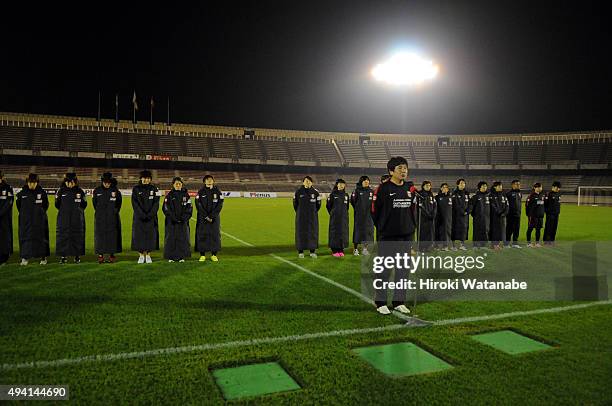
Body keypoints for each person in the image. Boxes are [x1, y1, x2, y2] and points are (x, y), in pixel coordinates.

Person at [370, 157, 415, 315]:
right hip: (388, 237)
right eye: (400, 168)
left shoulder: (410, 189)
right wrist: (384, 228)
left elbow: (412, 212)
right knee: (384, 270)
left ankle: (398, 301)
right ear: (391, 171)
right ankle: (380, 302)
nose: (404, 171)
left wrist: (410, 231)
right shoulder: (382, 189)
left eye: (405, 168)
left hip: (406, 237)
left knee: (403, 270)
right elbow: (375, 211)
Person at [16, 174, 50, 265]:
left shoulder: (42, 193)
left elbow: (46, 205)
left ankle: (43, 258)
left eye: (33, 183)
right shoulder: (21, 193)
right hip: (25, 221)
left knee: (41, 238)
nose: (31, 185)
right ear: (27, 183)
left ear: (37, 183)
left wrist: (39, 214)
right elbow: (18, 205)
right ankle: (25, 258)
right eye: (30, 183)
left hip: (39, 221)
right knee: (25, 238)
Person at [55, 173, 87, 264]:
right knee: (63, 237)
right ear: (65, 182)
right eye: (68, 182)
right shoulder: (60, 191)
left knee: (77, 237)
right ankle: (63, 256)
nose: (70, 184)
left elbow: (84, 204)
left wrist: (77, 212)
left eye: (72, 182)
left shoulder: (80, 191)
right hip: (64, 219)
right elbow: (57, 204)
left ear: (75, 182)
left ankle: (77, 256)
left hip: (77, 219)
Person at [92, 172, 122, 264]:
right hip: (100, 218)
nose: (107, 184)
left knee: (112, 237)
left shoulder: (116, 191)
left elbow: (119, 204)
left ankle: (112, 255)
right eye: (105, 182)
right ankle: (100, 255)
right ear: (102, 182)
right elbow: (94, 203)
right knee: (100, 237)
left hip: (112, 218)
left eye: (109, 182)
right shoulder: (97, 191)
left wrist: (114, 212)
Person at [131, 170, 160, 263]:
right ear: (141, 178)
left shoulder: (155, 189)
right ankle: (140, 255)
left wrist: (150, 214)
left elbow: (156, 203)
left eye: (148, 178)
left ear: (150, 179)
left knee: (150, 236)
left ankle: (148, 255)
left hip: (151, 218)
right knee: (139, 236)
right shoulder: (136, 189)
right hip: (139, 218)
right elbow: (134, 203)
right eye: (144, 178)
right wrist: (142, 214)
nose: (146, 180)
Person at [163, 177, 193, 262]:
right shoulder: (169, 196)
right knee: (171, 238)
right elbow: (166, 208)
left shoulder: (186, 195)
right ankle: (171, 257)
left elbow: (189, 208)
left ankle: (182, 256)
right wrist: (174, 218)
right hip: (171, 222)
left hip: (183, 222)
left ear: (182, 185)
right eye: (176, 184)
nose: (178, 185)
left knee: (183, 238)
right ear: (173, 185)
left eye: (179, 183)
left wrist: (183, 218)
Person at [195, 175, 224, 261]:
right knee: (202, 235)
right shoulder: (200, 192)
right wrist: (206, 216)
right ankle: (202, 255)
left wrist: (211, 216)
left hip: (214, 218)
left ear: (213, 181)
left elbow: (220, 204)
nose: (209, 181)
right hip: (202, 218)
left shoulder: (218, 191)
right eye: (207, 180)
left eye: (211, 179)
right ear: (204, 182)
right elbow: (198, 205)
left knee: (214, 235)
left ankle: (214, 254)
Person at [293, 176, 321, 258]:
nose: (307, 182)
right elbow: (295, 204)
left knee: (312, 233)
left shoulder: (316, 193)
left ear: (312, 183)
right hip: (301, 217)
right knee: (300, 233)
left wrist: (312, 212)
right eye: (306, 181)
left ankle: (312, 251)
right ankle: (300, 252)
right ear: (303, 182)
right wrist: (300, 212)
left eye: (309, 181)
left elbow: (318, 205)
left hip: (312, 217)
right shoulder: (298, 192)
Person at [350, 175, 374, 256]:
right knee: (358, 232)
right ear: (361, 182)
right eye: (364, 181)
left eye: (367, 180)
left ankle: (365, 249)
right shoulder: (356, 191)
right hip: (359, 216)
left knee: (367, 232)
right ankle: (355, 249)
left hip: (369, 216)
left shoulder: (371, 191)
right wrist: (358, 210)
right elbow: (353, 202)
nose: (366, 182)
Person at [327, 179, 350, 257]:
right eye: (340, 184)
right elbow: (328, 206)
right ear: (337, 185)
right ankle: (334, 250)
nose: (341, 185)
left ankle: (341, 249)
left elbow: (347, 207)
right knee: (335, 233)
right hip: (335, 218)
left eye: (343, 184)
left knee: (343, 233)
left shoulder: (346, 195)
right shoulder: (332, 194)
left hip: (343, 218)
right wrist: (333, 213)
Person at [417, 180, 437, 253]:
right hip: (423, 218)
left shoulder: (431, 195)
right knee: (423, 233)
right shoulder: (420, 195)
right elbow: (420, 207)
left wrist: (433, 214)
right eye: (426, 185)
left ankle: (429, 247)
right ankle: (422, 248)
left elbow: (435, 205)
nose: (428, 187)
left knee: (430, 233)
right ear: (423, 186)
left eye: (429, 185)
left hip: (431, 218)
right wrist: (428, 214)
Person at [470, 181, 490, 249]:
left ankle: (483, 245)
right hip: (478, 218)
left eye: (485, 186)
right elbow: (472, 207)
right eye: (483, 186)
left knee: (485, 231)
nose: (485, 187)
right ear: (479, 188)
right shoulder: (475, 197)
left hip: (486, 218)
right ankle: (475, 245)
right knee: (476, 231)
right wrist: (476, 215)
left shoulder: (488, 196)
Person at [489, 181, 509, 250]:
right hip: (495, 216)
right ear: (495, 187)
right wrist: (499, 212)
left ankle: (497, 244)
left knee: (502, 230)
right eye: (499, 186)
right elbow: (492, 205)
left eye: (501, 186)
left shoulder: (504, 195)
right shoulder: (491, 195)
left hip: (503, 216)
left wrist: (504, 213)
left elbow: (507, 205)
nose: (501, 187)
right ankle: (494, 245)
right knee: (495, 230)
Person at [451, 178, 470, 250]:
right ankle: (453, 245)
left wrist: (468, 211)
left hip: (465, 215)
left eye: (464, 183)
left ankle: (462, 244)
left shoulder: (466, 193)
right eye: (461, 183)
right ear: (458, 184)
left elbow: (470, 203)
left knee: (464, 229)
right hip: (456, 215)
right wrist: (462, 211)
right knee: (454, 229)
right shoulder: (454, 193)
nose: (463, 184)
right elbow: (456, 204)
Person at [0, 171, 14, 266]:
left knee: (4, 237)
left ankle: (4, 258)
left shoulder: (8, 188)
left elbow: (9, 203)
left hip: (4, 219)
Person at [526, 182, 545, 248]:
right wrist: (529, 215)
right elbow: (527, 206)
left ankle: (537, 243)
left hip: (540, 216)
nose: (540, 188)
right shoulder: (531, 196)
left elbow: (543, 205)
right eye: (539, 187)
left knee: (538, 229)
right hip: (533, 216)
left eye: (541, 187)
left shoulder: (542, 195)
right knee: (530, 229)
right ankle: (528, 243)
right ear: (535, 188)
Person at [435, 183, 453, 251]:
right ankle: (437, 245)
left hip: (448, 218)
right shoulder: (437, 197)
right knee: (438, 231)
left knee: (446, 232)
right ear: (441, 188)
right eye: (443, 187)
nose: (445, 188)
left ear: (448, 189)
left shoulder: (450, 197)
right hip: (439, 218)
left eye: (446, 187)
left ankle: (445, 246)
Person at [505, 179, 522, 248]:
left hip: (518, 214)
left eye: (519, 184)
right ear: (512, 185)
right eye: (517, 184)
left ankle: (515, 243)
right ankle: (506, 243)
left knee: (516, 229)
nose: (518, 186)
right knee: (509, 229)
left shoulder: (520, 193)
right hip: (510, 215)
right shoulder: (508, 194)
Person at [543, 181, 561, 245]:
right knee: (548, 227)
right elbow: (544, 204)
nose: (559, 189)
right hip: (550, 214)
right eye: (558, 187)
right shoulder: (548, 194)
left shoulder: (559, 194)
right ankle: (546, 241)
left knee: (554, 227)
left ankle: (552, 240)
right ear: (553, 187)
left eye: (559, 188)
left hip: (556, 214)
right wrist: (547, 212)